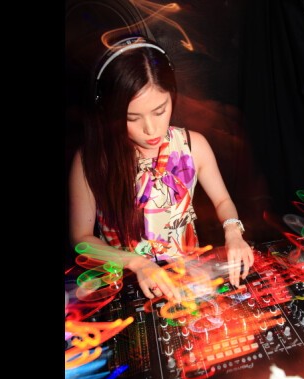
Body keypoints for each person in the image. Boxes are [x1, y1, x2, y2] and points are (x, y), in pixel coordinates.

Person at [68, 36, 254, 303]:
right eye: (132, 118)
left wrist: (233, 232)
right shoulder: (91, 159)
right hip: (128, 284)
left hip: (188, 282)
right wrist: (136, 263)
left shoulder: (194, 145)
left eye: (159, 111)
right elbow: (81, 239)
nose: (151, 129)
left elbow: (223, 201)